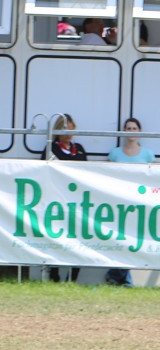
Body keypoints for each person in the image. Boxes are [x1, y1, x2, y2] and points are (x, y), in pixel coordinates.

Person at [106, 118, 154, 286]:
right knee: (119, 239)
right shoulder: (115, 154)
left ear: (139, 131)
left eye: (134, 128)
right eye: (128, 128)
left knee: (132, 240)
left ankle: (116, 274)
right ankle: (121, 277)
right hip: (118, 202)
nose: (131, 131)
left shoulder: (148, 155)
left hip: (138, 202)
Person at [42, 114, 86, 282]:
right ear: (58, 130)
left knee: (78, 239)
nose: (68, 133)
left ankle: (73, 278)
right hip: (56, 202)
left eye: (71, 129)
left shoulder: (80, 148)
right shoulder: (50, 148)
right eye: (64, 129)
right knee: (55, 239)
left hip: (78, 202)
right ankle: (54, 275)